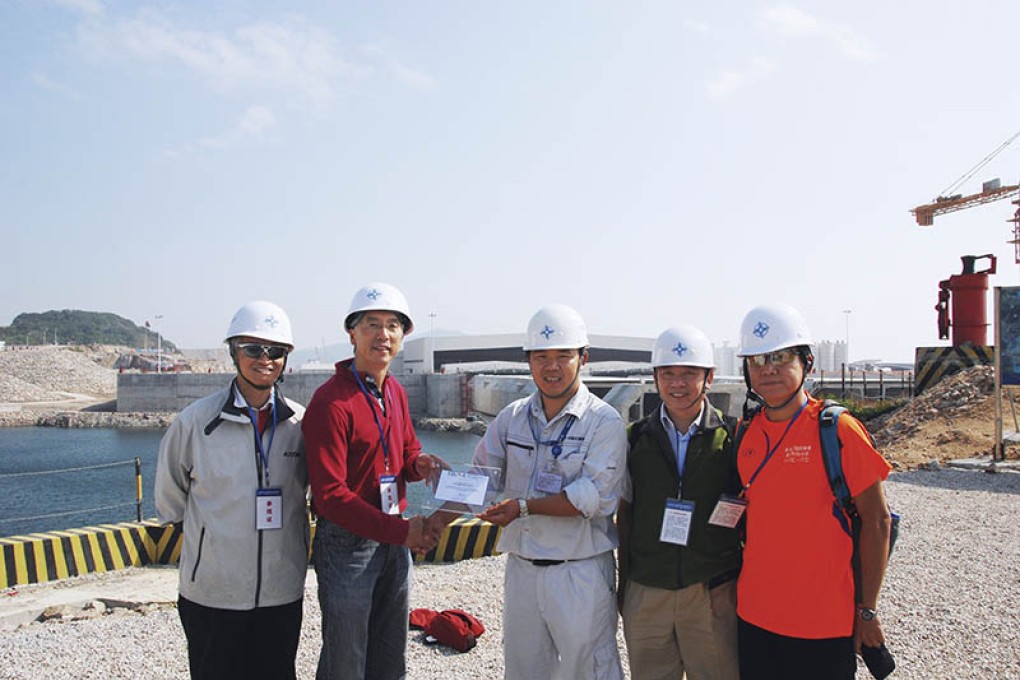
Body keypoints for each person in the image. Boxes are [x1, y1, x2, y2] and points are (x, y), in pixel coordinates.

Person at [734, 304, 892, 680]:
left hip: (823, 625)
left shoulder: (837, 430)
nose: (768, 368)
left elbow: (878, 520)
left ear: (806, 362)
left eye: (780, 356)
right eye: (757, 359)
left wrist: (867, 610)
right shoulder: (746, 433)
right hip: (754, 618)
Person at [472, 304, 627, 680]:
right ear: (528, 361)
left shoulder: (603, 421)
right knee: (524, 670)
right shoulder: (512, 417)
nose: (551, 367)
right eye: (541, 357)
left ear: (583, 359)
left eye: (563, 356)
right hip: (523, 571)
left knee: (587, 669)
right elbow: (482, 477)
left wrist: (523, 508)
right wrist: (437, 482)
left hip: (579, 573)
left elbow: (594, 498)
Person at [155, 301, 307, 680]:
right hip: (212, 595)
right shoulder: (194, 423)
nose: (265, 359)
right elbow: (170, 503)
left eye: (276, 351)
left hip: (281, 592)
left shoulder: (300, 424)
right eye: (253, 349)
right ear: (233, 352)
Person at [303, 282, 442, 680]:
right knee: (346, 658)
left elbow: (406, 453)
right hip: (348, 545)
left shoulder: (394, 391)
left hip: (394, 539)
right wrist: (403, 531)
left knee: (388, 652)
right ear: (352, 333)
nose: (383, 334)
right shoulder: (331, 402)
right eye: (372, 324)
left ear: (402, 336)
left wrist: (422, 466)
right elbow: (330, 497)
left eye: (393, 325)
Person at [617, 325, 741, 680]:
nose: (678, 383)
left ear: (709, 378)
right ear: (655, 378)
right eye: (667, 373)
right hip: (648, 591)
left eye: (689, 374)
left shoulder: (733, 438)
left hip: (710, 592)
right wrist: (625, 586)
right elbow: (624, 514)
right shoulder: (635, 438)